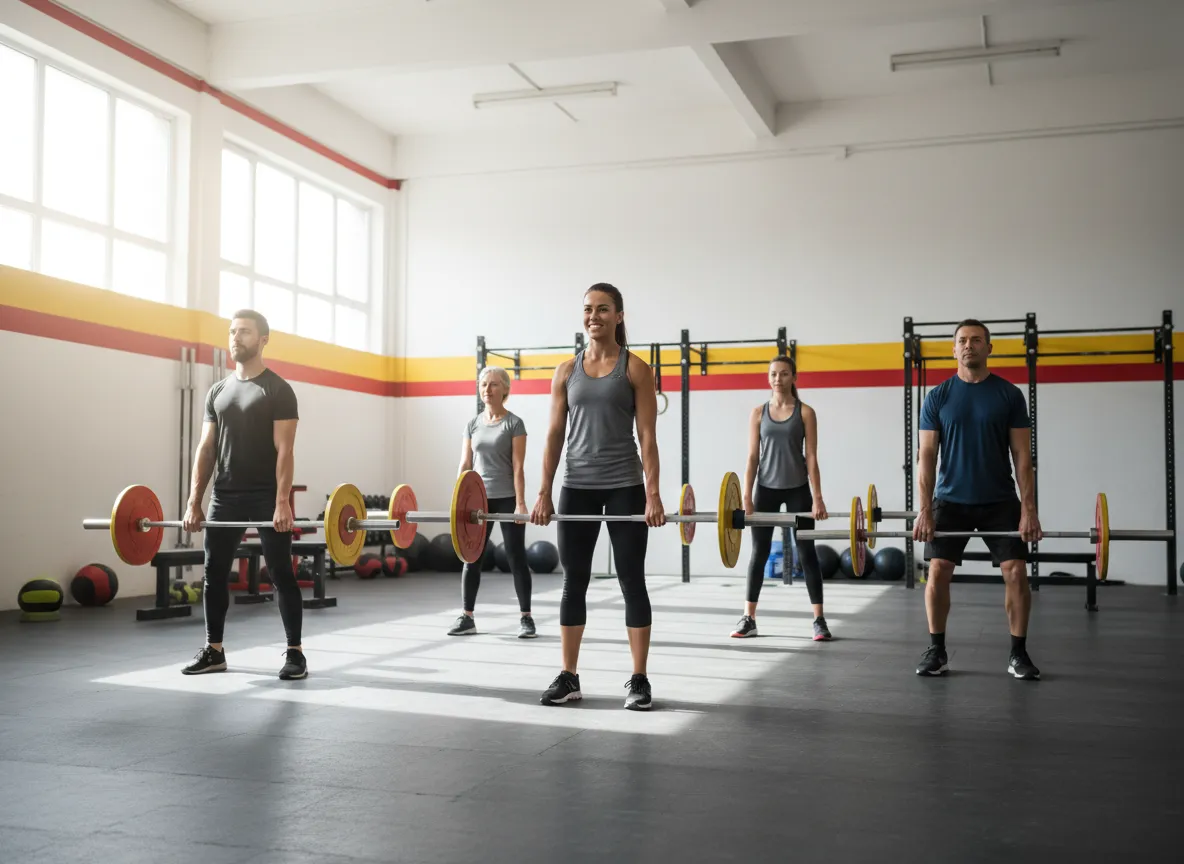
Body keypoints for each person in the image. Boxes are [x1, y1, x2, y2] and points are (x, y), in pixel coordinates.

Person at [531, 283, 665, 711]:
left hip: (624, 485)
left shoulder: (636, 369)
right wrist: (543, 493)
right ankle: (569, 676)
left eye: (603, 309)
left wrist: (653, 494)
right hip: (577, 487)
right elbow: (554, 435)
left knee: (631, 580)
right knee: (575, 581)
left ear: (619, 316)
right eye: (588, 309)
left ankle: (639, 679)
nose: (594, 316)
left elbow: (647, 435)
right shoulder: (565, 372)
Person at [913, 318, 1042, 680]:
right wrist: (925, 511)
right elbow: (927, 458)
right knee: (936, 571)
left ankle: (1019, 653)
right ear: (954, 349)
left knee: (1016, 572)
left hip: (999, 499)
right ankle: (937, 650)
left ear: (989, 347)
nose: (968, 345)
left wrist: (1029, 510)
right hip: (950, 500)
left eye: (976, 340)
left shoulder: (1009, 395)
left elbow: (1023, 458)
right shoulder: (938, 397)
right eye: (962, 341)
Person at [180, 310, 306, 680]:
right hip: (226, 494)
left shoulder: (278, 390)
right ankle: (214, 650)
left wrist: (283, 501)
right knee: (213, 572)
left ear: (263, 339)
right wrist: (194, 501)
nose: (236, 338)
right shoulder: (217, 391)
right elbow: (205, 450)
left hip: (267, 494)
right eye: (233, 332)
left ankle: (295, 653)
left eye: (245, 332)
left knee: (281, 572)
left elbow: (285, 451)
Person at [731, 356, 832, 642]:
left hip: (798, 488)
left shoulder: (805, 413)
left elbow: (811, 456)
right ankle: (749, 618)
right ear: (768, 377)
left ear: (793, 377)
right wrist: (747, 497)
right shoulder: (757, 413)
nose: (778, 378)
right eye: (774, 374)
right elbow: (752, 457)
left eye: (784, 374)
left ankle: (819, 621)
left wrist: (818, 498)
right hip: (766, 489)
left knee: (807, 553)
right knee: (758, 555)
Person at [448, 365, 536, 638]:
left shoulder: (514, 423)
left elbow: (518, 467)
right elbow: (465, 464)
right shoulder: (472, 424)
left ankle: (526, 618)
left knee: (516, 558)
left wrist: (521, 504)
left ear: (505, 390)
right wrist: (457, 503)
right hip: (477, 503)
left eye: (494, 384)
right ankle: (467, 617)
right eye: (484, 384)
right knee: (471, 557)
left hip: (507, 498)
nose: (488, 389)